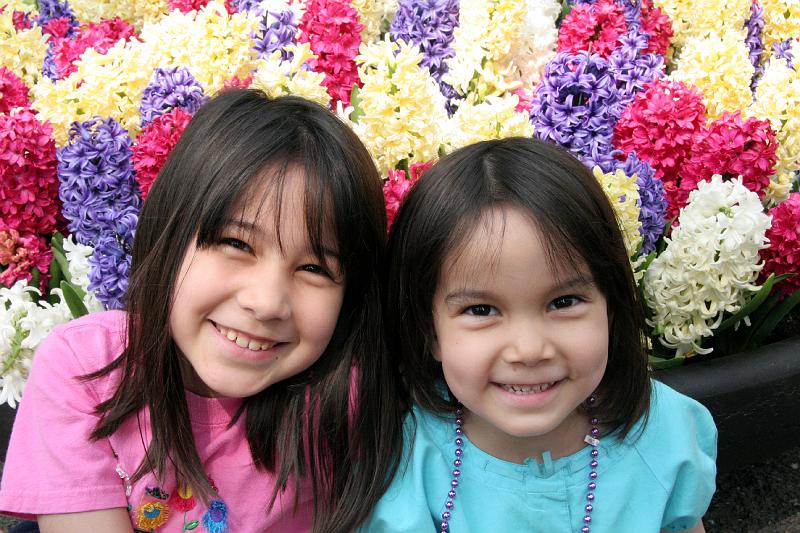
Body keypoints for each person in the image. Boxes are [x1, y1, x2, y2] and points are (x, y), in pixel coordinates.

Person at [0, 89, 404, 533]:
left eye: (314, 268)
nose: (266, 302)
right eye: (237, 243)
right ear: (170, 233)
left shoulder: (346, 401)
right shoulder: (89, 369)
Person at [361, 137, 717, 533]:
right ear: (428, 330)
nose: (529, 350)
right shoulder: (400, 460)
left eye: (563, 302)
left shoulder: (663, 433)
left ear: (611, 306)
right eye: (481, 310)